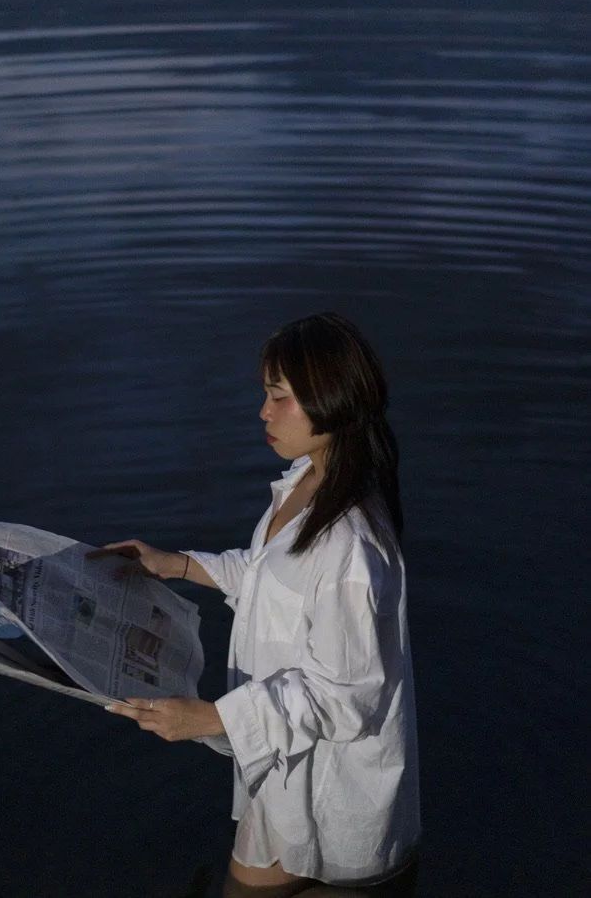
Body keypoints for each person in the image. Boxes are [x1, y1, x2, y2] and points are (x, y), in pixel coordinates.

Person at [87, 313, 421, 897]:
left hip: (331, 794)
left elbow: (347, 698)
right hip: (281, 773)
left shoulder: (350, 546)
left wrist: (212, 718)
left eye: (279, 396)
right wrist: (176, 564)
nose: (263, 412)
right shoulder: (308, 484)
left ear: (329, 399)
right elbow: (272, 582)